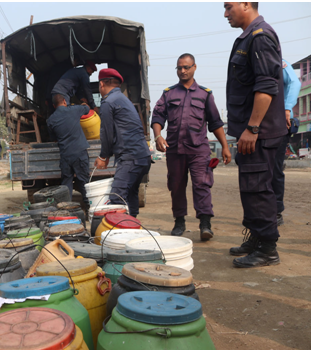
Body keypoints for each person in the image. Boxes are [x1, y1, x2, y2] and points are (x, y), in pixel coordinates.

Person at [224, 2, 285, 268]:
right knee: (251, 189)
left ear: (246, 4)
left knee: (259, 189)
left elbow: (266, 87)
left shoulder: (260, 37)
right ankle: (257, 239)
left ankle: (268, 249)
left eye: (228, 7)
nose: (225, 14)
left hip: (259, 133)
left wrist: (252, 128)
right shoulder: (249, 37)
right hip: (253, 133)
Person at [151, 53, 231, 241]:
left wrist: (225, 147)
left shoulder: (205, 94)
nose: (183, 71)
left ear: (195, 67)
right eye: (179, 67)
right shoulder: (169, 93)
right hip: (174, 150)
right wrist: (157, 136)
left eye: (186, 67)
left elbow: (216, 123)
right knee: (176, 186)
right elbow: (157, 117)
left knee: (202, 185)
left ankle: (205, 224)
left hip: (198, 150)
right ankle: (179, 222)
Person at [94, 68, 151, 218]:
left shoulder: (108, 102)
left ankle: (118, 233)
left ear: (101, 84)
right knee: (131, 194)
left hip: (130, 157)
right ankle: (133, 225)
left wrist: (103, 156)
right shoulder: (124, 100)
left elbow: (106, 132)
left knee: (116, 198)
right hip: (143, 157)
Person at [47, 93, 91, 206]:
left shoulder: (51, 120)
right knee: (84, 180)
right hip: (79, 153)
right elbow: (87, 109)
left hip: (65, 155)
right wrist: (84, 103)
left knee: (66, 182)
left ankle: (67, 209)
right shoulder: (74, 110)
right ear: (65, 102)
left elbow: (53, 138)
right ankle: (88, 207)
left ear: (53, 105)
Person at [273, 59, 301, 226]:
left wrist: (287, 108)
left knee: (275, 169)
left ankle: (276, 212)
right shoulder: (250, 62)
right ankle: (260, 212)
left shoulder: (279, 62)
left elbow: (294, 82)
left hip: (277, 123)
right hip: (256, 125)